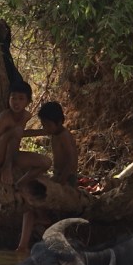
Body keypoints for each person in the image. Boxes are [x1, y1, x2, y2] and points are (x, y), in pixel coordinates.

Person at [17, 101, 80, 252]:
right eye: (43, 124)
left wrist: (62, 179)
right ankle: (22, 246)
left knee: (36, 194)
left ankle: (43, 218)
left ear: (59, 122)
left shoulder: (64, 135)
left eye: (47, 124)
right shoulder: (53, 130)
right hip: (57, 176)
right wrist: (17, 133)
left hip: (67, 178)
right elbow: (35, 132)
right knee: (29, 201)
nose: (45, 128)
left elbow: (72, 159)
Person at [0, 81, 51, 188]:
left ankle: (18, 186)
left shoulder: (26, 116)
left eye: (21, 99)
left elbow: (19, 134)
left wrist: (43, 132)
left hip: (12, 155)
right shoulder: (5, 117)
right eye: (13, 98)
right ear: (9, 99)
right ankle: (6, 168)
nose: (16, 102)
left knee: (46, 162)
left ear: (28, 102)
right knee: (16, 131)